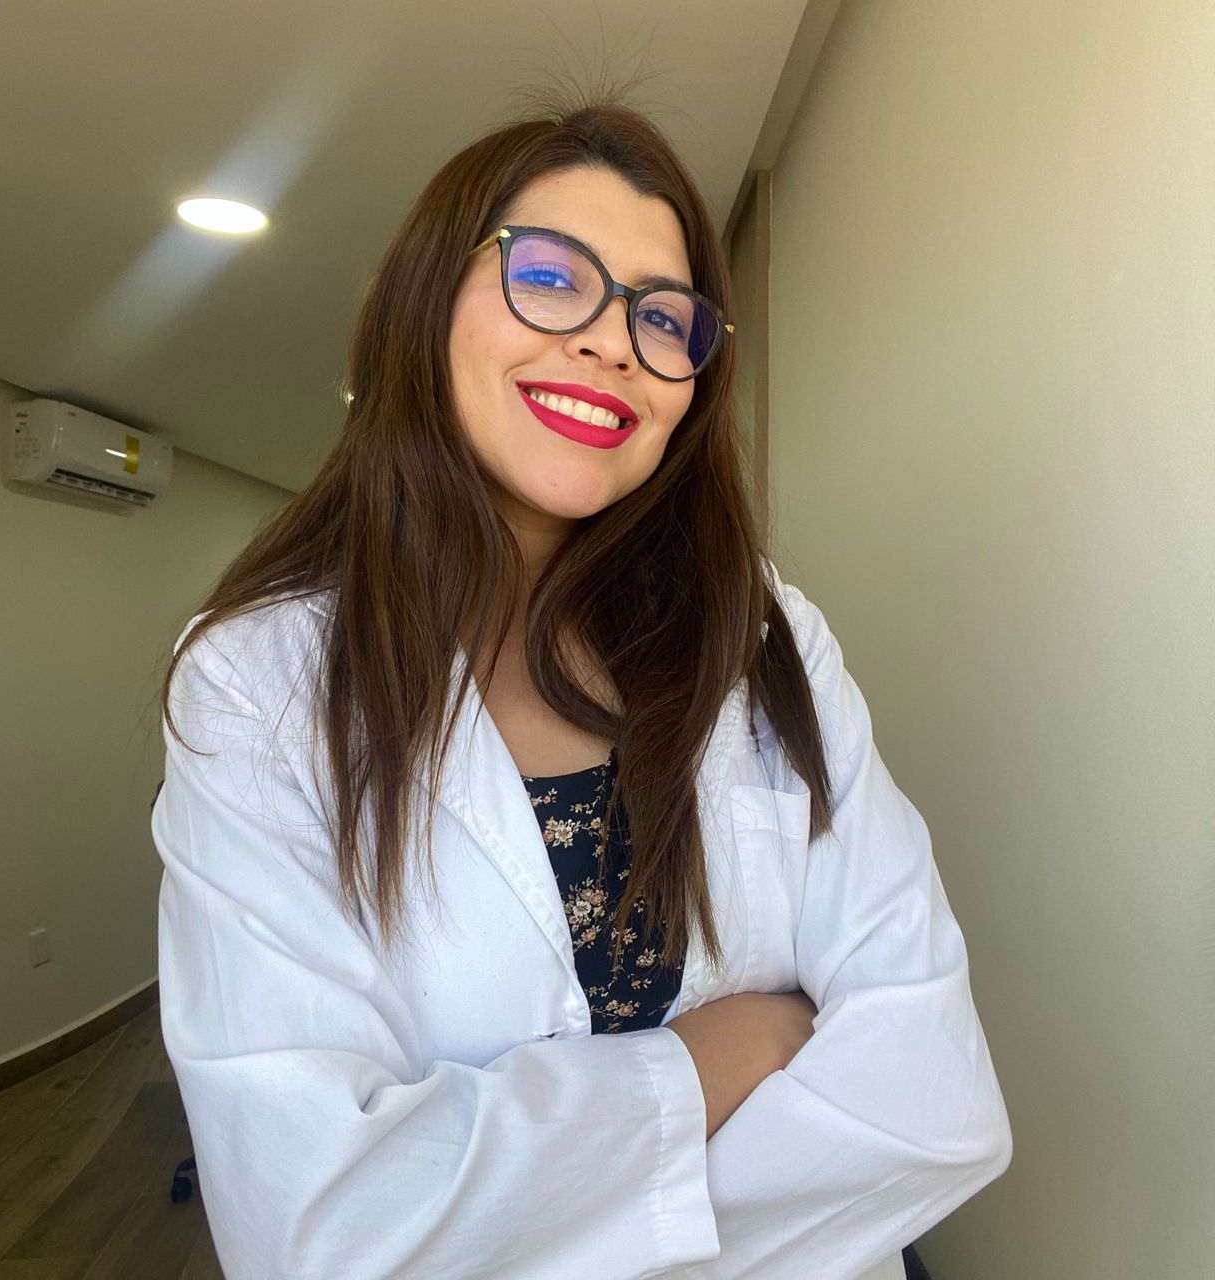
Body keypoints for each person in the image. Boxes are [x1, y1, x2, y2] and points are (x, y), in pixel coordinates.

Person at [152, 96, 1012, 1280]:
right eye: (550, 276)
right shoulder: (257, 682)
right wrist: (717, 1056)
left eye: (662, 316)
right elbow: (319, 1228)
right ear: (424, 301)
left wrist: (523, 1213)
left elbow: (936, 1102)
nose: (613, 342)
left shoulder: (763, 636)